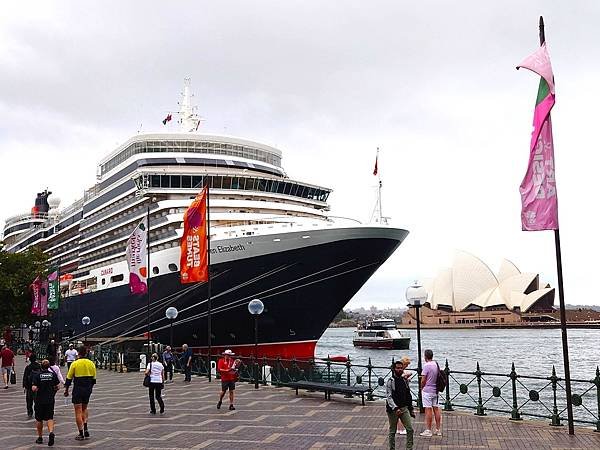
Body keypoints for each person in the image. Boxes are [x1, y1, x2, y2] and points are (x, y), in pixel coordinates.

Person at [64, 346, 96, 441]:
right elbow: (94, 380)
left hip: (78, 388)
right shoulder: (91, 363)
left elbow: (69, 378)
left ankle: (81, 433)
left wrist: (66, 390)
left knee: (78, 411)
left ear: (78, 353)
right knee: (85, 408)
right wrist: (90, 389)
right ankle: (86, 427)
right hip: (87, 389)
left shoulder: (75, 363)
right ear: (86, 353)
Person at [386, 360, 415, 450]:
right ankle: (392, 448)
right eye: (397, 368)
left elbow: (408, 395)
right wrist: (395, 408)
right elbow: (389, 397)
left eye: (401, 368)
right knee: (392, 431)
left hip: (404, 408)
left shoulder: (404, 380)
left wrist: (411, 409)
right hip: (393, 410)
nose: (399, 370)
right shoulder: (390, 381)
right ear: (394, 369)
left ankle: (409, 448)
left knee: (410, 429)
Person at [32, 359, 60, 446]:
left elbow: (34, 388)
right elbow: (58, 386)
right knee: (50, 417)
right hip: (50, 399)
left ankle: (40, 437)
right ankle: (51, 432)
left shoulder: (37, 375)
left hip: (40, 400)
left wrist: (37, 388)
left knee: (39, 419)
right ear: (48, 366)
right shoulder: (53, 374)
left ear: (41, 366)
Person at [420, 349, 442, 437]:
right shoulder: (435, 364)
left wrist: (421, 387)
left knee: (428, 409)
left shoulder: (426, 366)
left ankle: (428, 430)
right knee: (436, 409)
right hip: (435, 390)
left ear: (425, 356)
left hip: (427, 390)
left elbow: (423, 379)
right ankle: (438, 429)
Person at [395, 356, 413, 436]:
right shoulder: (401, 372)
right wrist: (407, 377)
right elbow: (402, 378)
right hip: (402, 394)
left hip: (397, 393)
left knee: (398, 412)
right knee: (403, 411)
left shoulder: (397, 371)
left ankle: (399, 429)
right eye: (406, 365)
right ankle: (402, 429)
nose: (407, 367)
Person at [23, 354, 42, 418]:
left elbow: (25, 377)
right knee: (37, 400)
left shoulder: (28, 367)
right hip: (37, 387)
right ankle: (38, 412)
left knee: (29, 401)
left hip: (29, 387)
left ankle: (30, 412)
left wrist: (25, 386)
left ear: (30, 359)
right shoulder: (39, 366)